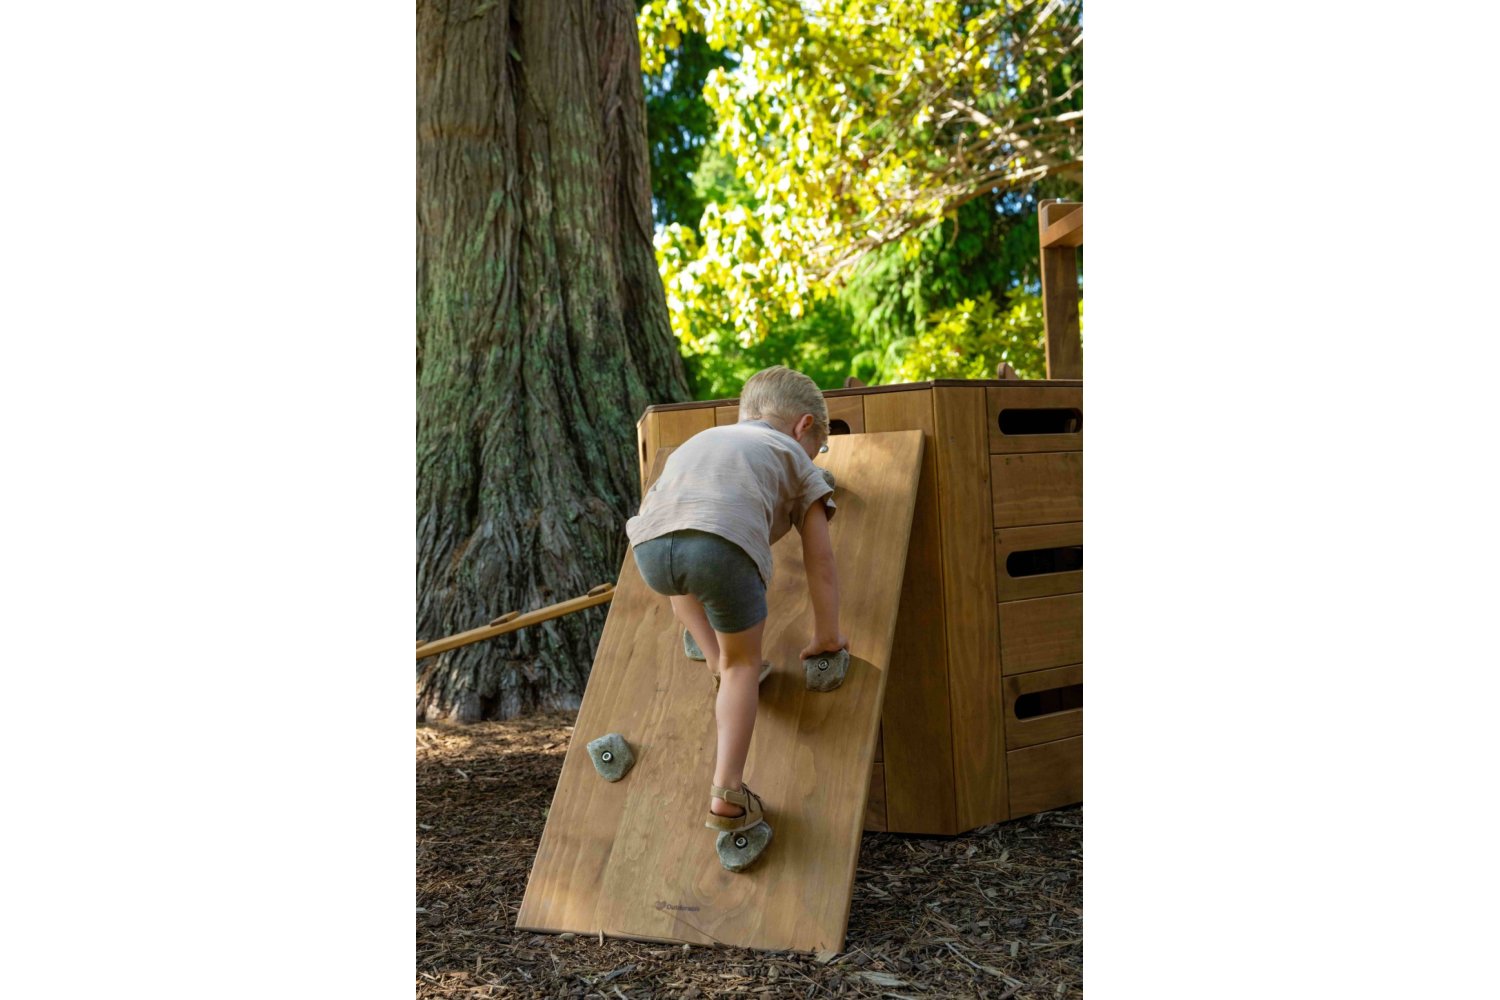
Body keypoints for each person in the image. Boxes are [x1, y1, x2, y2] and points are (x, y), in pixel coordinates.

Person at [626, 365, 848, 843]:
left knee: (680, 580)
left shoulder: (707, 439)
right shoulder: (795, 455)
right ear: (803, 426)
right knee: (743, 663)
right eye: (820, 446)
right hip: (719, 548)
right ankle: (727, 794)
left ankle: (711, 657)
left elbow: (673, 516)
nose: (815, 456)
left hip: (649, 547)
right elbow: (821, 559)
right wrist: (827, 635)